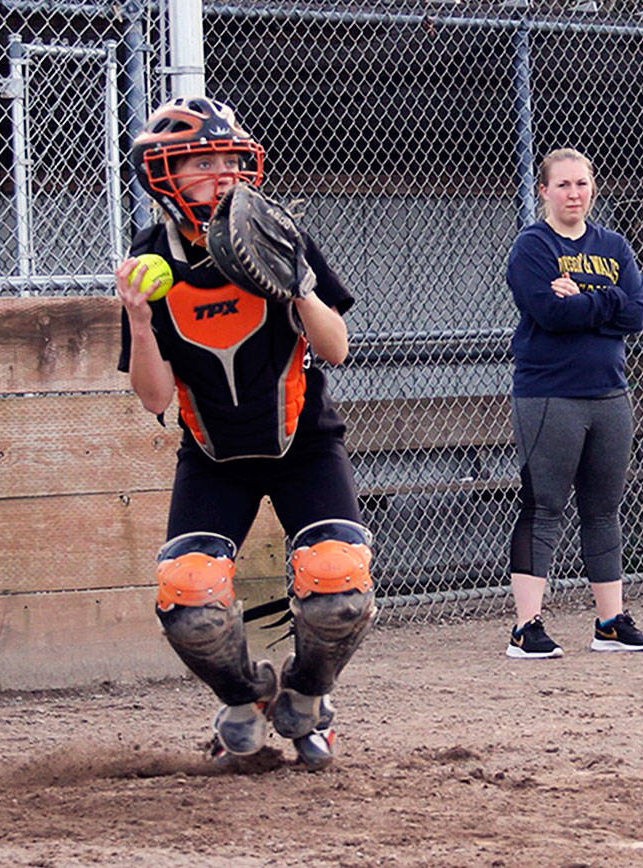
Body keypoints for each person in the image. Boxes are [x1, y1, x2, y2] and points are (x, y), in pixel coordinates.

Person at [116, 96, 375, 768]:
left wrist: (297, 288)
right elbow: (153, 398)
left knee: (338, 585)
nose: (224, 174)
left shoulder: (279, 233)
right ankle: (243, 696)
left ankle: (307, 698)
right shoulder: (151, 258)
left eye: (232, 160)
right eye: (204, 162)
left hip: (304, 445)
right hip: (214, 457)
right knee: (189, 599)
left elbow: (338, 348)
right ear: (165, 174)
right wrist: (141, 323)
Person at [503, 147, 643, 659]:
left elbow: (636, 312)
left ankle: (609, 622)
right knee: (544, 507)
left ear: (593, 189)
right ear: (544, 191)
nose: (574, 194)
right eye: (563, 185)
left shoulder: (613, 245)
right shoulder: (532, 246)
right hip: (550, 394)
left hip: (609, 394)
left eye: (582, 184)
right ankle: (527, 628)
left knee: (604, 509)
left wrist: (588, 298)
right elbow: (549, 313)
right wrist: (606, 300)